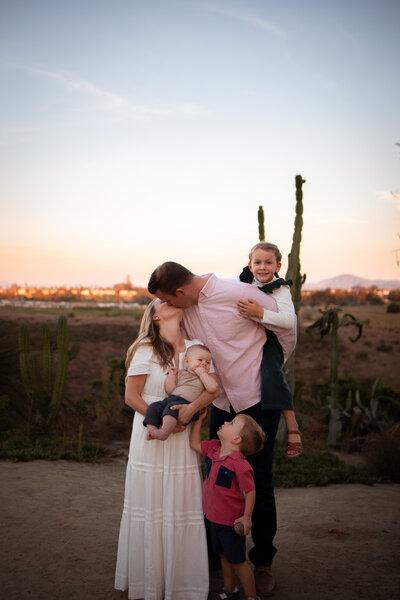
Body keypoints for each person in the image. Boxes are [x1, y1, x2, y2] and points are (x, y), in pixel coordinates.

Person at [147, 262, 297, 597]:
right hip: (219, 402)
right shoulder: (186, 307)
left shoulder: (240, 293)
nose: (170, 306)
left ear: (182, 291)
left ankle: (262, 561)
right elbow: (163, 319)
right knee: (213, 475)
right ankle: (220, 553)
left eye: (171, 300)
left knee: (257, 481)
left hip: (255, 399)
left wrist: (271, 369)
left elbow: (287, 330)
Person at [114, 298, 219, 600]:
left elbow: (209, 388)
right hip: (149, 435)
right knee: (150, 505)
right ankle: (149, 582)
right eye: (162, 299)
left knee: (180, 503)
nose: (170, 299)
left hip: (183, 441)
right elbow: (131, 397)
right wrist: (164, 418)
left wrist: (191, 412)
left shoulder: (197, 346)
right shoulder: (145, 348)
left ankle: (182, 584)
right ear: (156, 315)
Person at [190, 411, 265, 600]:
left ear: (237, 439)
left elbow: (250, 491)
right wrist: (199, 421)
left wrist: (246, 517)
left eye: (231, 423)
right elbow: (194, 444)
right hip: (214, 519)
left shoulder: (240, 465)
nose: (225, 421)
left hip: (231, 523)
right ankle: (230, 588)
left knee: (239, 562)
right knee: (223, 556)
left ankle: (252, 596)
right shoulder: (214, 449)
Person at [236, 242, 302, 457]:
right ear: (249, 265)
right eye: (258, 262)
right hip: (247, 334)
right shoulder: (243, 281)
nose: (262, 267)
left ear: (278, 266)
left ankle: (292, 425)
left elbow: (287, 320)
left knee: (271, 373)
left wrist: (260, 312)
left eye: (268, 262)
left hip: (270, 338)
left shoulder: (280, 288)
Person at [144, 344, 219, 441]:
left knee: (171, 409)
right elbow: (170, 390)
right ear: (187, 362)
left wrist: (203, 374)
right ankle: (152, 431)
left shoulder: (205, 377)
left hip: (186, 404)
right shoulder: (181, 373)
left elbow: (213, 388)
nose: (204, 364)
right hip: (171, 398)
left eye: (208, 362)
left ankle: (163, 433)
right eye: (200, 360)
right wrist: (172, 375)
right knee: (153, 407)